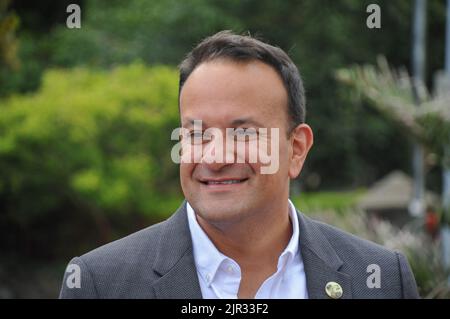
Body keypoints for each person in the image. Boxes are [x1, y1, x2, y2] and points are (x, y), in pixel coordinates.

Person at [59, 31, 419, 299]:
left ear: (296, 149)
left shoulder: (381, 279)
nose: (215, 158)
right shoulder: (100, 284)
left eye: (243, 133)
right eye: (196, 133)